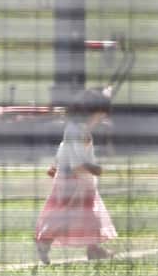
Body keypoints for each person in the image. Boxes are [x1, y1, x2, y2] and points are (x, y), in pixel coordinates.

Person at [34, 86, 118, 263]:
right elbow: (75, 162)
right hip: (73, 181)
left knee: (92, 215)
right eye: (100, 115)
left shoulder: (80, 129)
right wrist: (93, 168)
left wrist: (55, 164)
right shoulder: (75, 130)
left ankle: (94, 249)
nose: (102, 119)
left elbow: (63, 148)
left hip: (83, 180)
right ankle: (44, 241)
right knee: (66, 214)